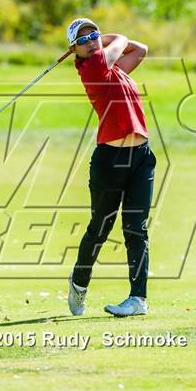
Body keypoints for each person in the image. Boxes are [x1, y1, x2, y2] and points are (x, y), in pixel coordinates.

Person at [66, 18, 156, 317]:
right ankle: (79, 284)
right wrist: (105, 41)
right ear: (74, 51)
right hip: (109, 161)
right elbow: (123, 41)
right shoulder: (92, 69)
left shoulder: (113, 70)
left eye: (94, 35)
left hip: (141, 158)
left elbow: (140, 48)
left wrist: (97, 39)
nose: (91, 41)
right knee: (100, 229)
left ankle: (138, 299)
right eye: (83, 40)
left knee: (136, 229)